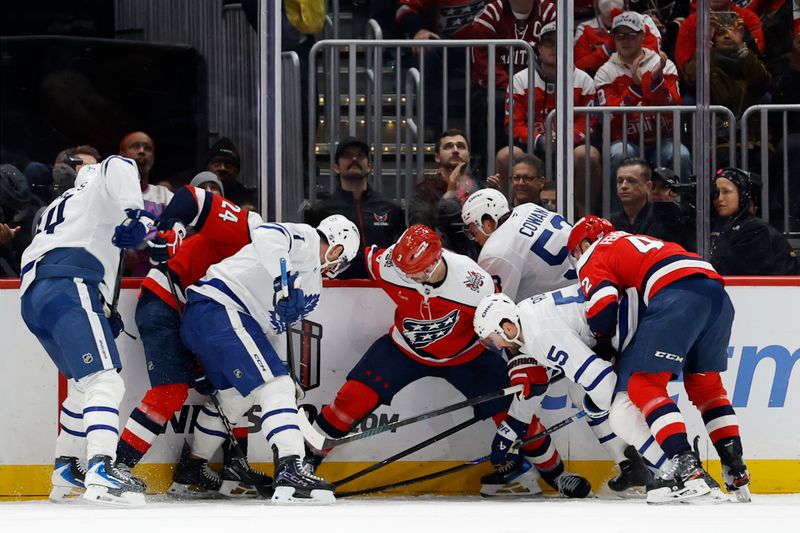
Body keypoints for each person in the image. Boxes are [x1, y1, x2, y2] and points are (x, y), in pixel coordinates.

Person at [304, 225, 591, 499]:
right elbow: (354, 259)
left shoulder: (474, 283)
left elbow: (504, 324)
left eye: (413, 273)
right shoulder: (391, 264)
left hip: (466, 356)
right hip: (404, 347)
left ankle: (555, 474)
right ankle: (303, 465)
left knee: (514, 414)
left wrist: (520, 363)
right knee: (350, 399)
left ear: (431, 265)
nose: (407, 278)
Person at [568, 215, 751, 503]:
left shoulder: (595, 252)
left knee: (643, 384)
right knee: (707, 389)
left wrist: (602, 341)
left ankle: (685, 466)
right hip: (716, 294)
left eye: (576, 252)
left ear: (585, 243)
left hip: (677, 294)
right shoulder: (636, 240)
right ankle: (736, 468)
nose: (577, 259)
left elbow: (602, 306)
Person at [178, 214, 361, 504]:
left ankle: (192, 467)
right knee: (276, 387)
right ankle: (290, 468)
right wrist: (282, 278)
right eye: (343, 261)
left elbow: (270, 329)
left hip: (217, 318)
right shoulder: (307, 241)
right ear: (337, 250)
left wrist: (283, 369)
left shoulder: (314, 286)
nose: (338, 267)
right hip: (220, 307)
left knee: (234, 399)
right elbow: (266, 234)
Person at [115, 180, 272, 498]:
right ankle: (117, 467)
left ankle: (224, 466)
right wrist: (168, 225)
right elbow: (190, 196)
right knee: (170, 391)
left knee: (235, 381)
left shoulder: (271, 267)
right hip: (165, 300)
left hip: (193, 312)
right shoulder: (250, 231)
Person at [19, 156, 155, 506]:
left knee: (83, 383)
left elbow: (93, 245)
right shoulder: (97, 185)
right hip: (70, 284)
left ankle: (66, 469)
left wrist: (103, 306)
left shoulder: (59, 205)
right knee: (105, 380)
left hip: (35, 294)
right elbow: (118, 164)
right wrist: (135, 213)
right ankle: (100, 468)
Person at [473, 288, 659, 494]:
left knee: (617, 408)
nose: (496, 346)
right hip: (623, 317)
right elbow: (537, 381)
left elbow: (601, 383)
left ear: (506, 327)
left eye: (492, 339)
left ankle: (665, 467)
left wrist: (596, 406)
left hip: (634, 321)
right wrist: (511, 427)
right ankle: (631, 465)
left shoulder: (538, 335)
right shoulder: (525, 317)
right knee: (582, 392)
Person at [497, 21, 601, 215]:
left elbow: (588, 124)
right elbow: (513, 124)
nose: (554, 47)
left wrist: (565, 138)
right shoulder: (521, 79)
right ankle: (508, 213)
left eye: (559, 43)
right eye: (548, 43)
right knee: (505, 155)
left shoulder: (583, 80)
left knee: (589, 154)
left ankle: (583, 213)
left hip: (569, 147)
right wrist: (538, 140)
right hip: (533, 147)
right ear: (539, 48)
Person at [594, 11, 692, 181]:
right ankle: (614, 209)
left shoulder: (663, 65)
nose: (625, 40)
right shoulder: (605, 72)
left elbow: (672, 109)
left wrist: (655, 81)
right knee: (619, 154)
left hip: (662, 140)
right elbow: (610, 118)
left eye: (631, 35)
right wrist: (635, 89)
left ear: (642, 36)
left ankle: (682, 207)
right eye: (620, 36)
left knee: (680, 155)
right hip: (625, 141)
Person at [306, 136, 405, 279]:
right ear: (336, 167)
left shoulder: (391, 209)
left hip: (384, 289)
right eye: (347, 155)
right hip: (335, 291)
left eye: (360, 155)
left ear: (370, 166)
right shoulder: (320, 212)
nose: (354, 159)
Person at [683, 11, 772, 169]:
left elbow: (761, 83)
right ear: (713, 39)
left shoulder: (749, 58)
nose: (727, 36)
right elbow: (693, 79)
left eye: (732, 31)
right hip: (717, 137)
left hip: (750, 136)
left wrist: (742, 50)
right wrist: (704, 47)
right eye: (720, 33)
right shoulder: (706, 60)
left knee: (761, 160)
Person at [461, 187, 576, 303]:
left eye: (473, 232)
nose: (474, 239)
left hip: (566, 306)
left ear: (488, 224)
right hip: (584, 281)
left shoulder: (494, 252)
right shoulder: (528, 207)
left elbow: (496, 307)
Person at [710, 167, 800, 275]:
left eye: (726, 192)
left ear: (743, 196)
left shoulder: (757, 230)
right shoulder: (713, 225)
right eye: (716, 192)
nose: (719, 198)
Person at [409, 129, 481, 256]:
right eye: (448, 147)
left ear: (469, 155)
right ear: (437, 157)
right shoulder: (425, 190)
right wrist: (450, 195)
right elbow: (420, 230)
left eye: (460, 146)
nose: (455, 150)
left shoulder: (481, 188)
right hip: (440, 260)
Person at [119, 131, 174, 276]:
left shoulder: (164, 196)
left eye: (147, 148)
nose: (142, 152)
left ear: (153, 158)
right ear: (121, 155)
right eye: (135, 147)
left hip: (157, 279)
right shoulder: (109, 195)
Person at [609, 157, 691, 248]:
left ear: (648, 186)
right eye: (620, 181)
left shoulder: (665, 219)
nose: (623, 186)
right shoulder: (611, 223)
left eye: (631, 181)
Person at [674, 0, 765, 76]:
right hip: (705, 83)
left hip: (743, 81)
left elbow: (758, 56)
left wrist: (740, 43)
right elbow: (684, 65)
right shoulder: (690, 23)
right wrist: (707, 41)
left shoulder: (749, 18)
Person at [574, 0, 662, 76]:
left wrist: (623, 26)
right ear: (595, 3)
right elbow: (578, 68)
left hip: (640, 83)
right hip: (602, 85)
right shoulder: (585, 29)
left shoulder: (644, 21)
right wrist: (606, 49)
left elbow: (654, 57)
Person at [206, 137, 257, 209]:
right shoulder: (197, 193)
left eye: (229, 164)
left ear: (237, 171)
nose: (222, 168)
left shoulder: (246, 198)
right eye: (217, 163)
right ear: (207, 167)